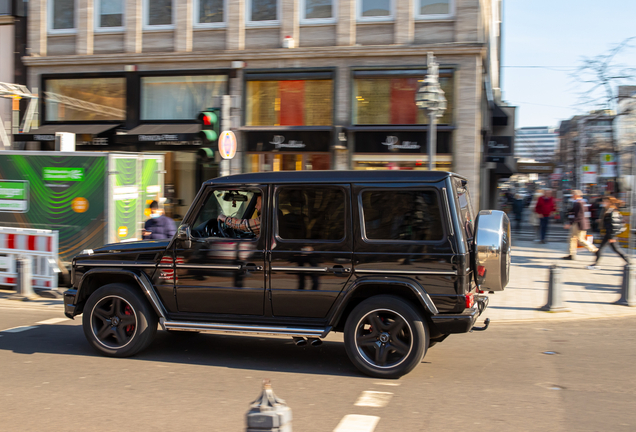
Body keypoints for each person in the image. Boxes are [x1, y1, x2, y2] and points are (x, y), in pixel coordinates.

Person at [588, 196, 629, 269]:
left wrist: (611, 236)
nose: (603, 203)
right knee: (615, 249)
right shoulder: (608, 211)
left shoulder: (611, 211)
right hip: (609, 234)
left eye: (605, 201)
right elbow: (609, 223)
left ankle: (596, 264)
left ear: (609, 203)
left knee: (602, 248)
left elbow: (613, 225)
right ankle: (628, 261)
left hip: (610, 234)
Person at [563, 190, 598, 260]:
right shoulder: (579, 202)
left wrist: (570, 224)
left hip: (579, 224)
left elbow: (579, 216)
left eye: (572, 195)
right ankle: (571, 254)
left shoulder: (580, 203)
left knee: (581, 239)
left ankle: (595, 250)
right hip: (578, 223)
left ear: (576, 195)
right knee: (572, 238)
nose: (571, 196)